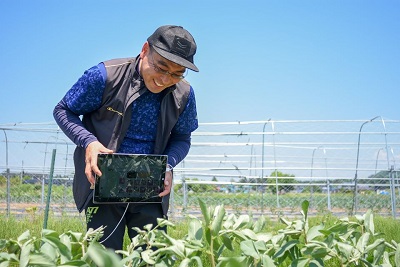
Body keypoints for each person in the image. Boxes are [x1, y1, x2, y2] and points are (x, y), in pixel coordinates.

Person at [53, 25, 199, 250]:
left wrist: (168, 165)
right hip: (103, 183)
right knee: (104, 257)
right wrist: (89, 142)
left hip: (150, 186)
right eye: (161, 67)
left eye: (177, 73)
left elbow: (182, 137)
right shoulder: (105, 76)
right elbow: (63, 110)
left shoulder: (184, 94)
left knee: (153, 258)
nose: (164, 79)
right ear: (144, 50)